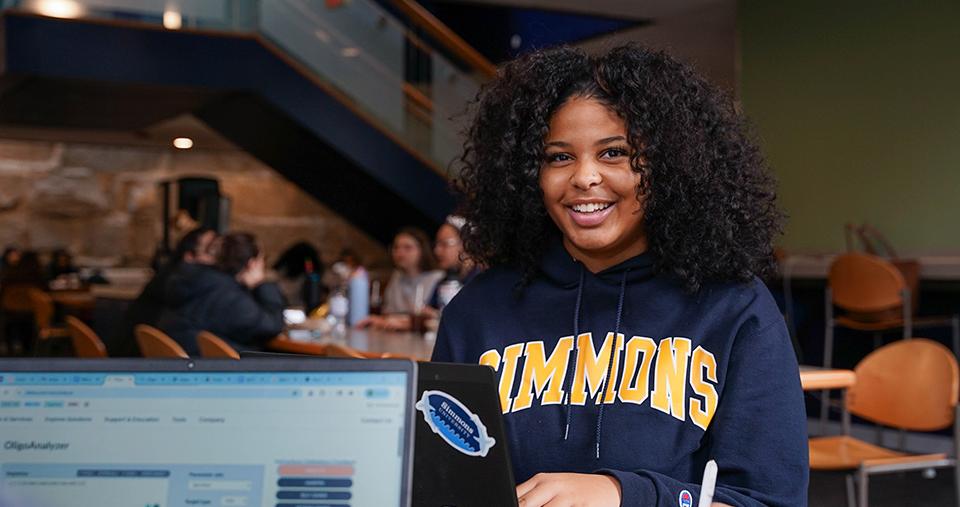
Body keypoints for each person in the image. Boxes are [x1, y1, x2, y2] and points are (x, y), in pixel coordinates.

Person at [431, 45, 807, 507]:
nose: (585, 177)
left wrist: (623, 494)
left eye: (614, 152)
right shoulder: (477, 312)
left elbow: (768, 500)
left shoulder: (734, 309)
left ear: (668, 166)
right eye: (558, 157)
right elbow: (445, 486)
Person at [158, 232, 284, 356]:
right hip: (210, 369)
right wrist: (261, 284)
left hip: (187, 364)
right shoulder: (228, 297)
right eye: (263, 260)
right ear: (252, 264)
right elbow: (271, 326)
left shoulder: (194, 281)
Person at [118, 227, 217, 356]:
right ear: (189, 256)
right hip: (139, 359)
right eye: (211, 249)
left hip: (135, 357)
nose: (218, 256)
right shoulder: (182, 286)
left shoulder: (169, 277)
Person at [360, 228, 443, 330]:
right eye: (396, 248)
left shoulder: (438, 278)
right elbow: (388, 312)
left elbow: (435, 317)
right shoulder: (397, 276)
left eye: (407, 248)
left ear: (422, 250)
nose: (400, 253)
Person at [427, 215, 479, 311]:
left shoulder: (481, 282)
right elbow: (429, 311)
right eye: (436, 244)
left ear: (466, 245)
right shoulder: (443, 281)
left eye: (444, 244)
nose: (436, 251)